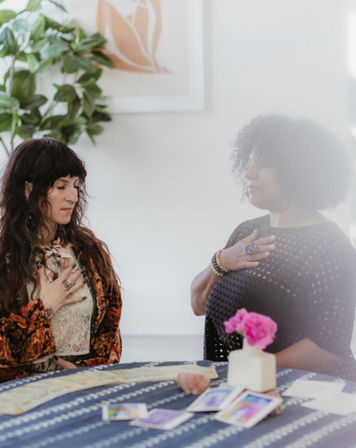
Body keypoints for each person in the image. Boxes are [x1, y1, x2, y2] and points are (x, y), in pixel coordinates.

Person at [191, 114, 356, 381]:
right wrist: (221, 261)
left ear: (298, 172)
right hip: (242, 389)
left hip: (308, 395)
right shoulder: (246, 232)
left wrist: (249, 372)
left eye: (264, 165)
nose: (249, 173)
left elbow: (328, 347)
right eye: (250, 162)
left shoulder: (331, 247)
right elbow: (198, 305)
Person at [0, 138, 122, 382]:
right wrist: (44, 307)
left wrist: (85, 370)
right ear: (28, 189)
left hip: (83, 387)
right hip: (20, 399)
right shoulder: (5, 256)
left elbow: (110, 331)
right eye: (61, 186)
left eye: (76, 186)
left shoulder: (89, 249)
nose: (73, 197)